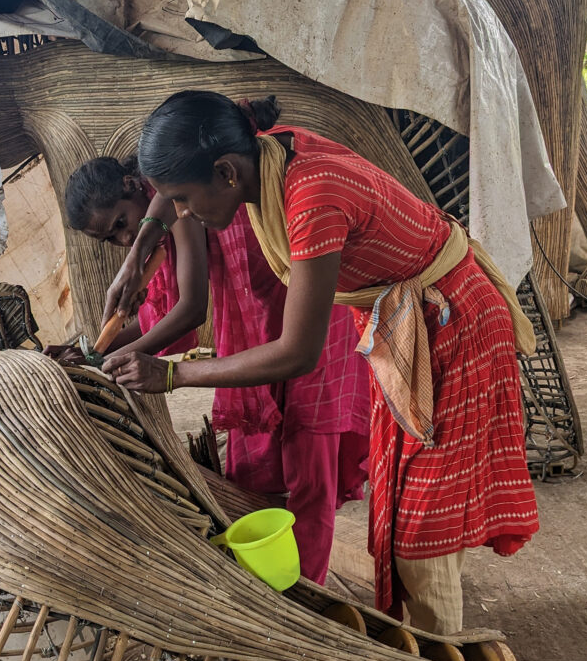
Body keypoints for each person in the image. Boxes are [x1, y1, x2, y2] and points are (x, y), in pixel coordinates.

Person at [102, 91, 539, 635]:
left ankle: (440, 644)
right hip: (403, 328)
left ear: (226, 174)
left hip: (454, 330)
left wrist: (171, 374)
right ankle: (422, 630)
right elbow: (168, 197)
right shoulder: (256, 150)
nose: (182, 213)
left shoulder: (311, 198)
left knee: (420, 537)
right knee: (399, 497)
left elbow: (297, 352)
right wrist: (138, 249)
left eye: (186, 200)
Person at [58, 146, 371, 584]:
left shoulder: (177, 196)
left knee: (309, 464)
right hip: (262, 323)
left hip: (310, 321)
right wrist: (96, 352)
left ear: (136, 188)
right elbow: (168, 325)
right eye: (110, 239)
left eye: (121, 226)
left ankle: (308, 598)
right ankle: (273, 574)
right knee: (256, 465)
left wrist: (130, 362)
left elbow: (190, 311)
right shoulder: (159, 226)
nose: (124, 242)